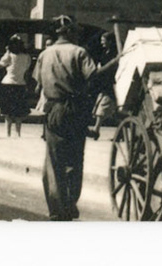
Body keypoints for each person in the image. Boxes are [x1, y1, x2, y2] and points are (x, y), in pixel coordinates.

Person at [35, 17, 116, 220]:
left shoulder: (45, 54)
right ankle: (69, 203)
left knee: (54, 161)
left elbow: (37, 83)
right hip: (76, 110)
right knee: (74, 159)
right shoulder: (79, 53)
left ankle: (56, 207)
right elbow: (93, 78)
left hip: (53, 109)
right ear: (70, 32)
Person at [0, 34, 35, 137]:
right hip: (20, 84)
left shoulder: (9, 55)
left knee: (7, 113)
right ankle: (18, 133)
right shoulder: (27, 57)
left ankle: (7, 133)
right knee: (19, 112)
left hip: (8, 83)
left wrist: (6, 52)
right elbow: (27, 68)